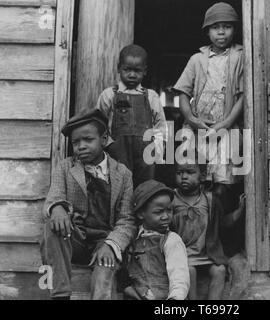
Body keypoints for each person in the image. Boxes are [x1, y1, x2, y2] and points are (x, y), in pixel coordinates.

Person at [172, 2, 245, 256]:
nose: (221, 33)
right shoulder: (197, 59)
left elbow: (243, 98)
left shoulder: (240, 57)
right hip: (198, 131)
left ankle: (220, 243)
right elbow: (182, 93)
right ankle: (193, 242)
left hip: (226, 131)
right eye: (216, 28)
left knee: (223, 186)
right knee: (195, 182)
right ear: (207, 31)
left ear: (234, 30)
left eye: (226, 27)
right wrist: (191, 119)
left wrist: (225, 124)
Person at [40, 109, 136, 300]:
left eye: (88, 140)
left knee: (105, 272)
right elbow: (53, 197)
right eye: (76, 142)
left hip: (104, 241)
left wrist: (111, 244)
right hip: (75, 238)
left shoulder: (123, 174)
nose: (81, 147)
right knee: (52, 228)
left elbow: (127, 219)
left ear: (104, 138)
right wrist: (58, 208)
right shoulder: (66, 167)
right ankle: (60, 295)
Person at [171, 157, 245, 300]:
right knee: (189, 271)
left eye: (190, 172)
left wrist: (238, 212)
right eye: (179, 173)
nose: (184, 176)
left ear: (203, 176)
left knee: (220, 270)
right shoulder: (172, 198)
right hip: (183, 256)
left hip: (207, 255)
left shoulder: (210, 199)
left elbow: (222, 223)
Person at [96, 44, 167, 187]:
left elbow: (160, 126)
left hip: (146, 154)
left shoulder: (151, 96)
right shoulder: (109, 95)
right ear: (118, 68)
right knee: (118, 186)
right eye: (127, 70)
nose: (132, 75)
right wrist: (109, 145)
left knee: (145, 188)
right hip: (117, 152)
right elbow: (98, 124)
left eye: (137, 71)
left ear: (145, 71)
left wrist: (158, 152)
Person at [124, 180, 190, 300]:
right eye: (158, 212)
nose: (165, 216)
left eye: (169, 210)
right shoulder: (133, 239)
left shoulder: (171, 240)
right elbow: (125, 272)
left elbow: (179, 276)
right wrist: (128, 289)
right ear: (140, 214)